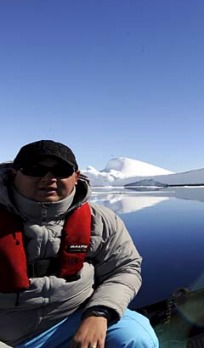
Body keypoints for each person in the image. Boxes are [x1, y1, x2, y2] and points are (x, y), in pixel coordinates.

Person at [0, 140, 158, 348]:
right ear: (14, 174)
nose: (48, 178)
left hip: (75, 319)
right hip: (7, 332)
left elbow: (125, 268)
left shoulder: (100, 219)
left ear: (76, 176)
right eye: (35, 169)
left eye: (61, 170)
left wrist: (99, 313)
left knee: (135, 338)